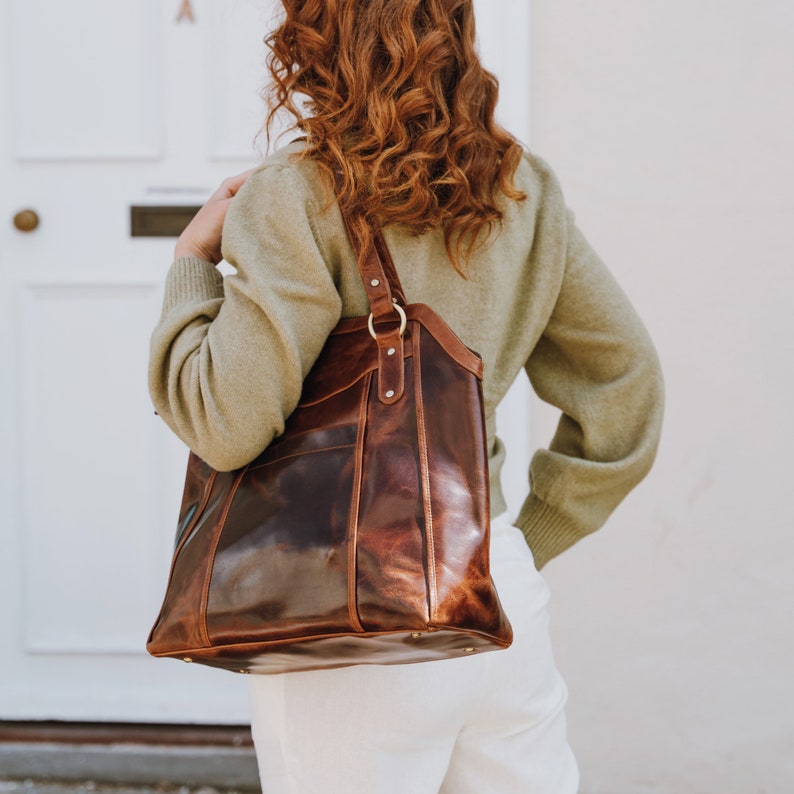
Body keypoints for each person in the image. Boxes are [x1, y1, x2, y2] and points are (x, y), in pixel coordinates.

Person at [148, 1, 664, 791]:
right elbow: (624, 381)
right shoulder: (523, 189)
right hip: (495, 592)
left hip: (350, 622)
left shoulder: (295, 192)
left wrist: (192, 259)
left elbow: (225, 423)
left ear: (315, 40)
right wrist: (521, 540)